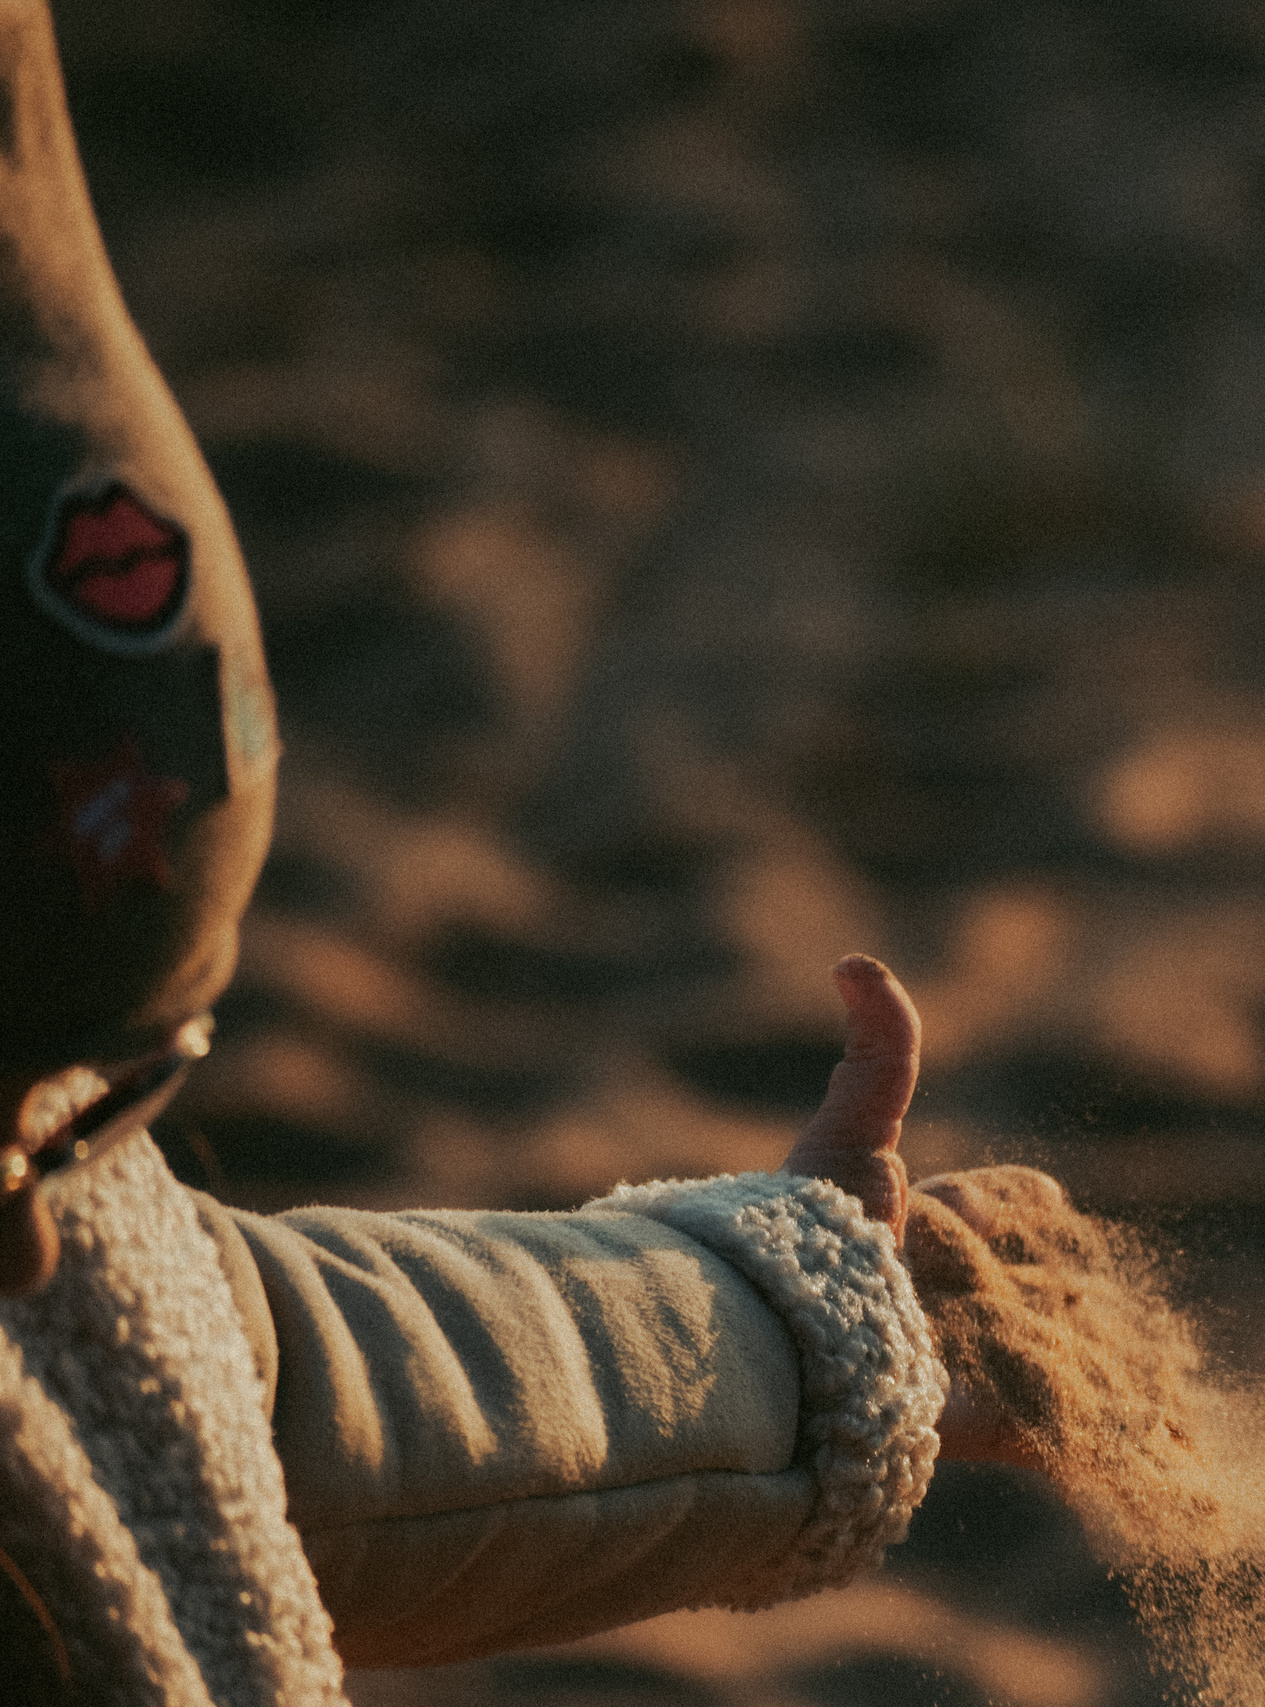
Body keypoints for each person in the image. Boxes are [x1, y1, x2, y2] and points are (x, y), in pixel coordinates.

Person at [0, 2, 1112, 1698]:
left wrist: (787, 1331)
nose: (36, 1250)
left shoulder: (42, 1264)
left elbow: (211, 1403)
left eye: (92, 1113)